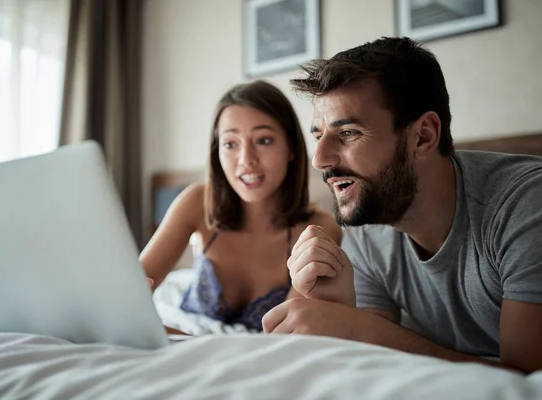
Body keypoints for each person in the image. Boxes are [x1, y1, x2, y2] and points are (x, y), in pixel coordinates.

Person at [261, 37, 542, 373]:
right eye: (318, 136)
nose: (319, 159)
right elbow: (379, 365)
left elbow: (528, 379)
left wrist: (358, 328)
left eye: (348, 132)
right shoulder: (367, 228)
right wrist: (338, 311)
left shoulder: (525, 205)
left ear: (423, 136)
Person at [140, 80, 341, 331]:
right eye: (230, 144)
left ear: (291, 148)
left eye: (263, 140)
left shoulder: (320, 230)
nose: (246, 160)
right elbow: (131, 294)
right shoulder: (196, 201)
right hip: (183, 336)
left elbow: (287, 336)